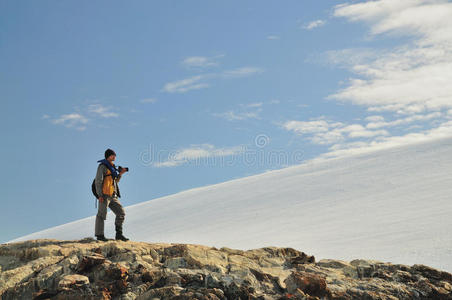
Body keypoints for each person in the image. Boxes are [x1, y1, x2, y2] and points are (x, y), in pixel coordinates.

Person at [94, 148, 129, 241]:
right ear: (108, 156)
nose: (115, 156)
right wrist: (99, 195)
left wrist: (120, 174)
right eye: (113, 155)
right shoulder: (102, 166)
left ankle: (119, 235)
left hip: (113, 195)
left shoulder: (112, 167)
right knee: (101, 214)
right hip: (104, 195)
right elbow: (98, 181)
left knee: (121, 213)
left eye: (115, 155)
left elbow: (115, 182)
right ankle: (99, 235)